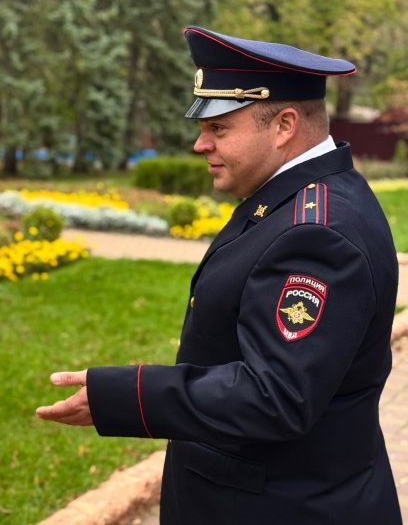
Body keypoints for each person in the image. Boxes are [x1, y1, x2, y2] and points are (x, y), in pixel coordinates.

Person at [36, 26, 401, 524]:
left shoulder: (316, 231)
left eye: (220, 129)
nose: (199, 144)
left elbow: (276, 397)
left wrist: (126, 395)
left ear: (285, 125)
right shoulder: (302, 199)